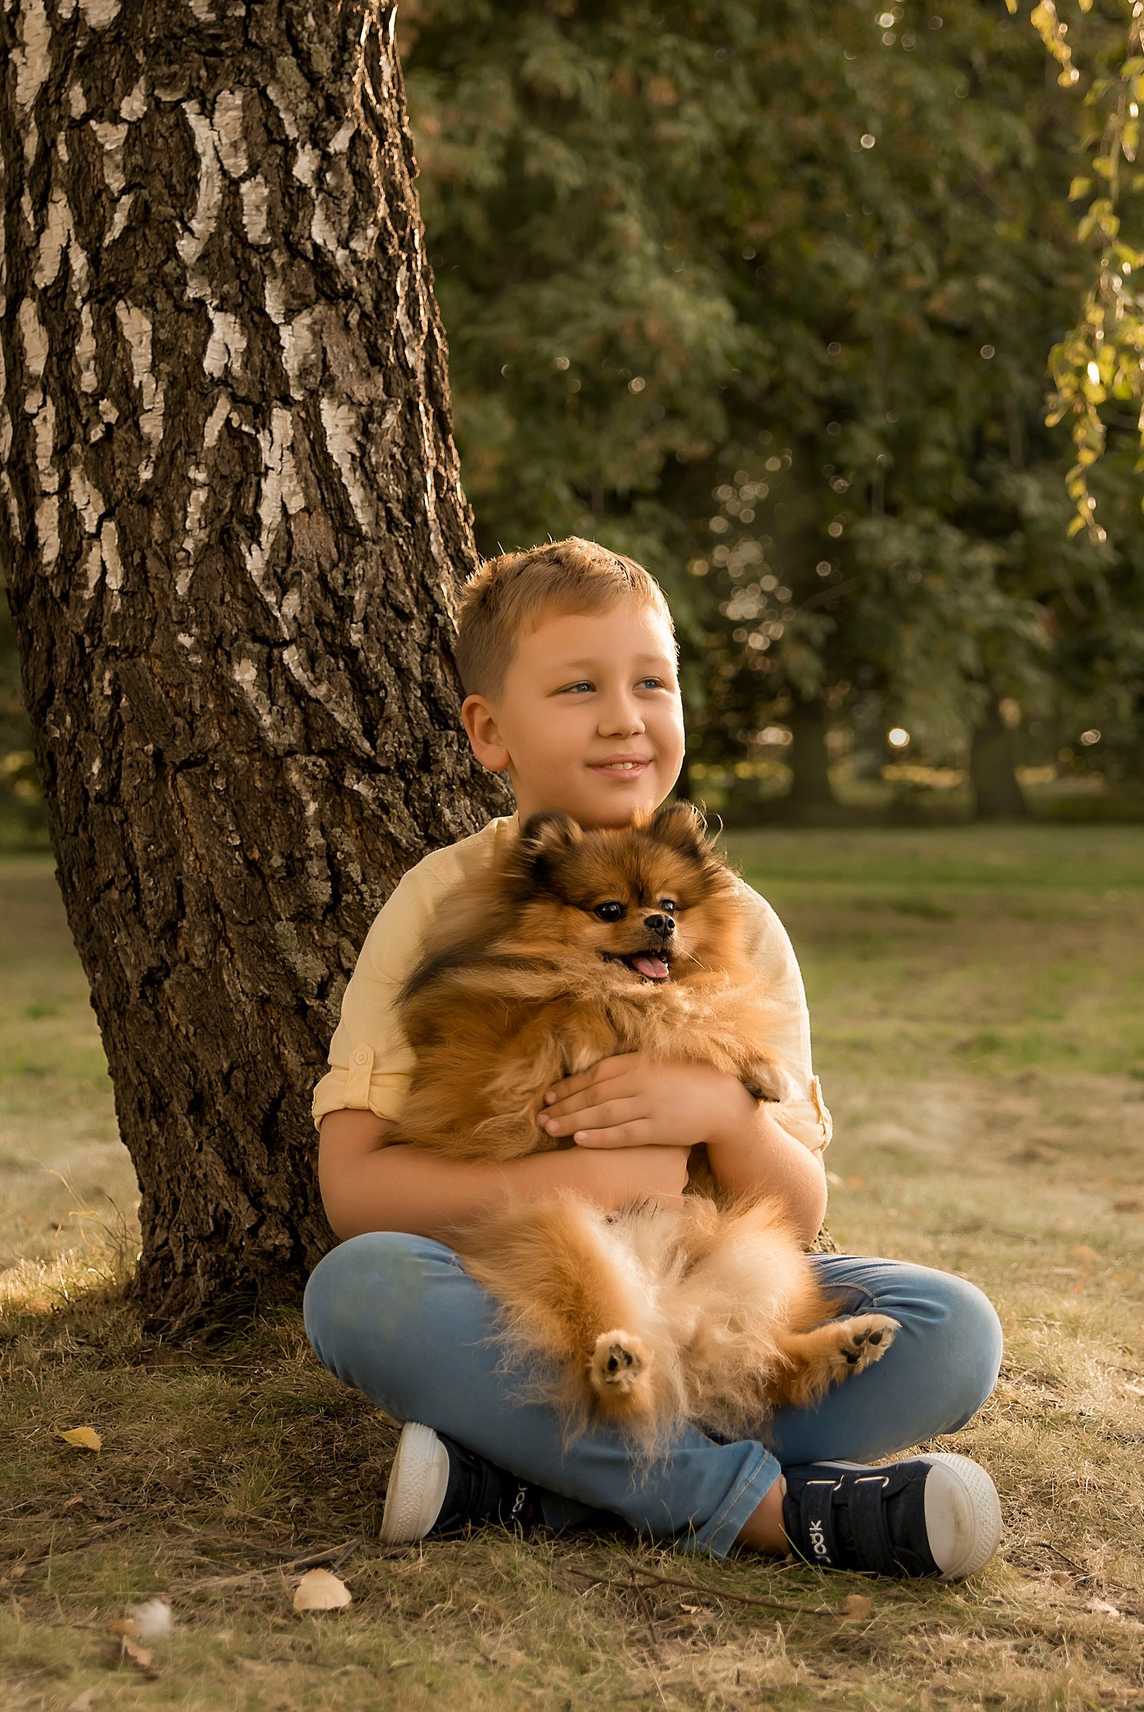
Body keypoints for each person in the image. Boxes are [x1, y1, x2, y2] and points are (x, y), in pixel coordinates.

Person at [302, 538, 1004, 1577]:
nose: (624, 716)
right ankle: (766, 1508)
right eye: (579, 685)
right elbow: (355, 1188)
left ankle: (524, 1486)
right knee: (356, 1288)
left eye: (652, 682)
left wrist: (720, 1112)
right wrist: (581, 1178)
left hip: (704, 1283)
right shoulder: (438, 903)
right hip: (521, 1286)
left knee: (950, 1326)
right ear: (488, 729)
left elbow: (796, 1217)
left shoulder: (738, 922)